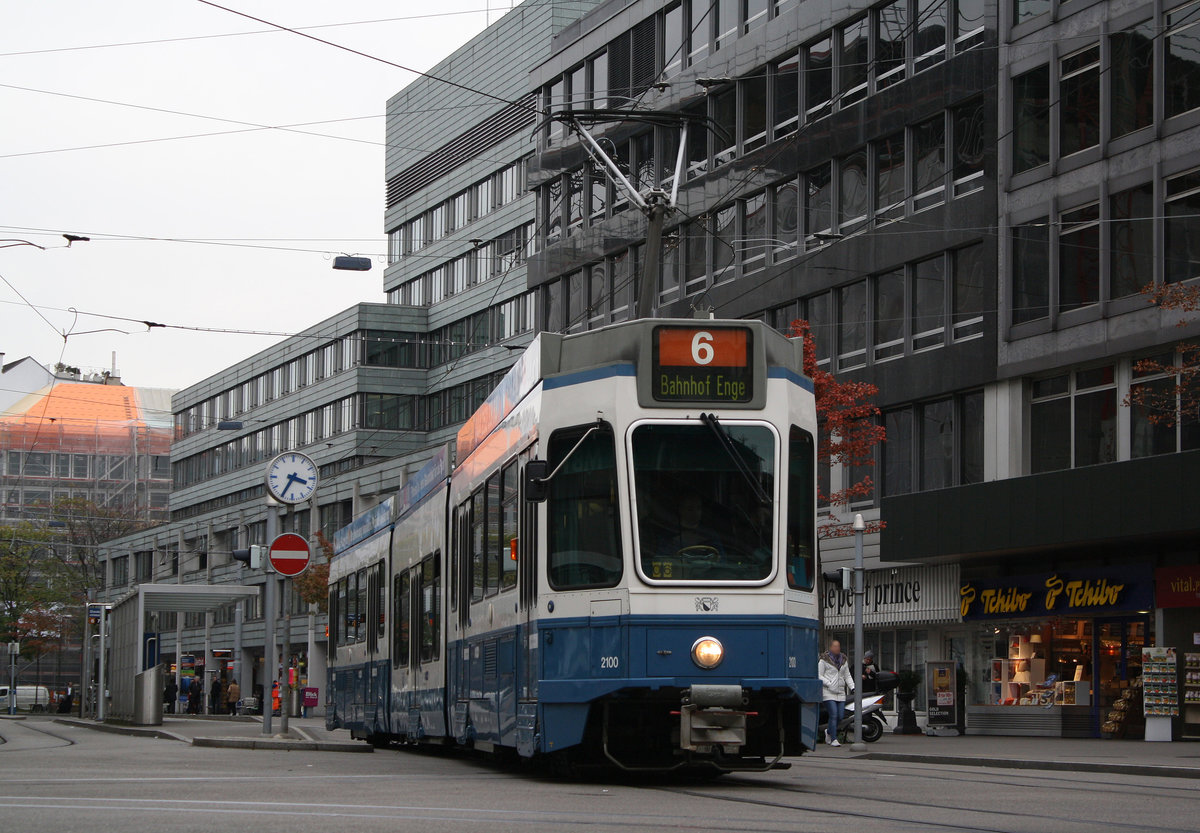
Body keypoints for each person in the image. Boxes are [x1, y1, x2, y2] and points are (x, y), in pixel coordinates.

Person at [818, 640, 854, 747]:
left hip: (840, 692)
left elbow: (847, 675)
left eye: (838, 646)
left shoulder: (844, 660)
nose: (837, 648)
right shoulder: (823, 660)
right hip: (828, 692)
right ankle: (834, 739)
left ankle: (828, 731)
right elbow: (819, 675)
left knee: (840, 716)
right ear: (830, 648)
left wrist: (853, 687)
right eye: (835, 646)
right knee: (833, 714)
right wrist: (829, 683)